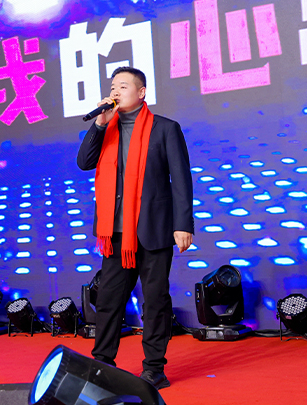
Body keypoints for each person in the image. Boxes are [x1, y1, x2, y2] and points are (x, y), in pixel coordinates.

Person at [76, 66, 193, 390]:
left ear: (141, 92)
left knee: (155, 301)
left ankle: (154, 368)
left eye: (123, 86)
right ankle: (102, 365)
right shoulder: (107, 128)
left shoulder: (165, 128)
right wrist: (99, 124)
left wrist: (183, 224)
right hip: (115, 234)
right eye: (113, 86)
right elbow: (84, 163)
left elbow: (181, 180)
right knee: (109, 300)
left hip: (154, 229)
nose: (116, 91)